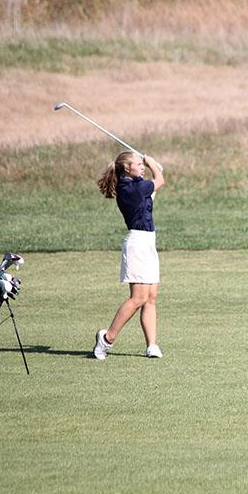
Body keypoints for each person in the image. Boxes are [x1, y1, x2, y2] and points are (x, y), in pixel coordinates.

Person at [93, 151, 165, 360]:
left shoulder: (135, 185)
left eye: (142, 164)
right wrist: (153, 164)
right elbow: (160, 181)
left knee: (150, 297)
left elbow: (152, 188)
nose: (142, 166)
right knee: (138, 298)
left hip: (148, 242)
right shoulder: (130, 189)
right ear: (127, 168)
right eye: (138, 164)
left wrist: (152, 167)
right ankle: (106, 339)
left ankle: (151, 345)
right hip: (137, 245)